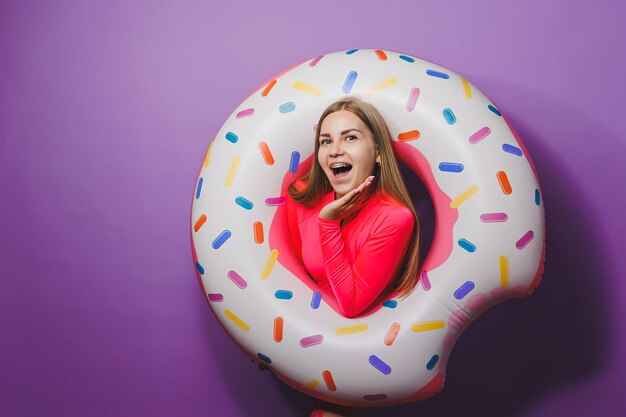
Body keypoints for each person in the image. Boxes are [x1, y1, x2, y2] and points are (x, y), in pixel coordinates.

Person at [286, 97, 421, 416]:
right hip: (305, 344)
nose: (335, 150)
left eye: (350, 137)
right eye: (325, 141)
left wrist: (329, 223)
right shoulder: (302, 196)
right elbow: (290, 278)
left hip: (365, 355)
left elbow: (352, 303)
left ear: (377, 152)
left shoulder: (394, 217)